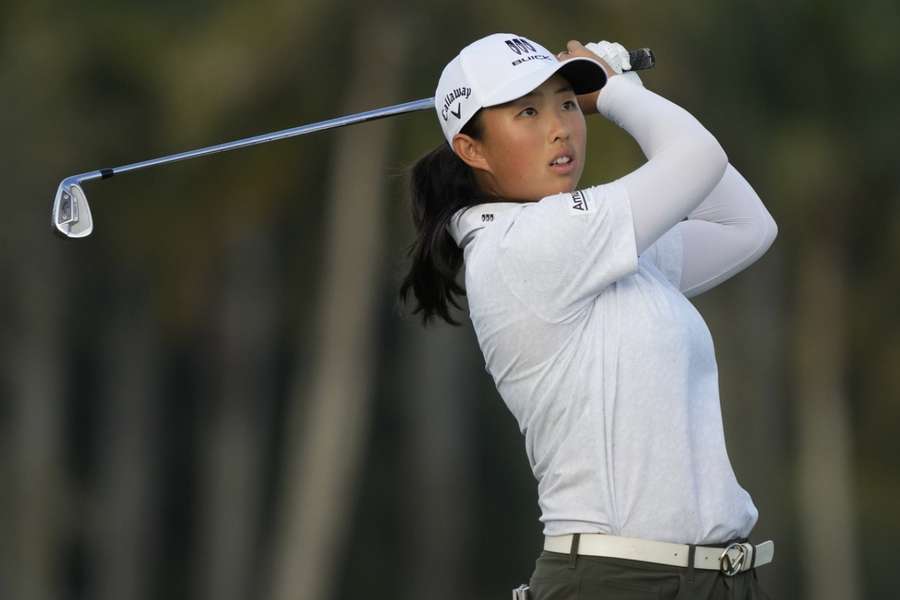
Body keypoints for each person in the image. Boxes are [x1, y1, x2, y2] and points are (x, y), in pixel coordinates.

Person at [398, 32, 778, 600]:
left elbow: (746, 225)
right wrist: (620, 93)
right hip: (619, 582)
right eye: (527, 111)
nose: (561, 127)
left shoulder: (601, 248)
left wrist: (623, 90)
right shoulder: (523, 245)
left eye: (569, 103)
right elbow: (700, 158)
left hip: (716, 580)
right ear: (472, 149)